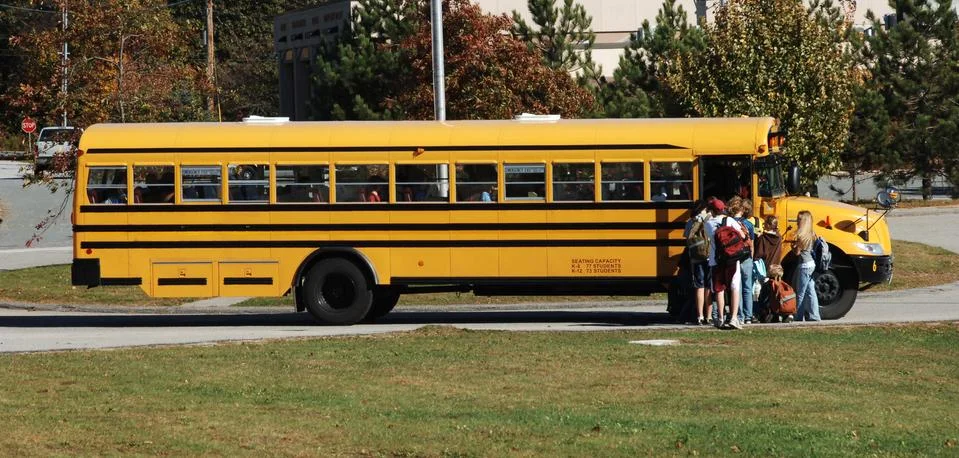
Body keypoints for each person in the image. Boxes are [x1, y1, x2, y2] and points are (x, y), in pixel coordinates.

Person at [704, 197, 746, 329]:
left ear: (712, 210)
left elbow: (709, 238)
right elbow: (743, 236)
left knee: (719, 289)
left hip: (716, 260)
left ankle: (721, 317)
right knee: (734, 288)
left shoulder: (708, 224)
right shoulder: (730, 220)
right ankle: (734, 317)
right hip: (732, 259)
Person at [683, 200, 711, 325]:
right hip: (710, 257)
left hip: (696, 258)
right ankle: (708, 316)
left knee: (699, 286)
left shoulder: (691, 222)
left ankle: (699, 316)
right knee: (709, 286)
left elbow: (687, 239)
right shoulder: (710, 219)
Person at [792, 210, 821, 321]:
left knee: (800, 292)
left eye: (798, 220)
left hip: (804, 265)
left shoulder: (801, 235)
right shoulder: (812, 234)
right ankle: (815, 316)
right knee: (810, 291)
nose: (796, 222)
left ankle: (798, 317)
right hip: (812, 264)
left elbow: (797, 253)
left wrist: (792, 247)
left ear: (803, 221)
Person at [730, 197, 756, 324]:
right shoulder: (749, 224)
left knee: (737, 287)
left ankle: (738, 314)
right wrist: (752, 257)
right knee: (748, 287)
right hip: (746, 257)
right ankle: (748, 315)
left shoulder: (728, 222)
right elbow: (751, 244)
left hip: (734, 257)